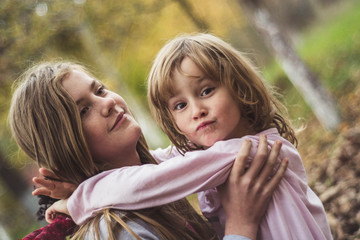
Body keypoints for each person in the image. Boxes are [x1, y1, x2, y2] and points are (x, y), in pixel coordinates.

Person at [37, 33, 332, 239]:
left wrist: (79, 199)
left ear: (240, 88)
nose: (197, 110)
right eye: (180, 105)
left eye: (206, 91)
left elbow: (151, 178)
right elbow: (160, 164)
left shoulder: (244, 152)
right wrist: (80, 185)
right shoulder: (216, 152)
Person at [10, 61, 287, 240]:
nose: (106, 103)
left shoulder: (155, 181)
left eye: (101, 90)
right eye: (83, 111)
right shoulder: (117, 232)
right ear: (64, 148)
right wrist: (240, 225)